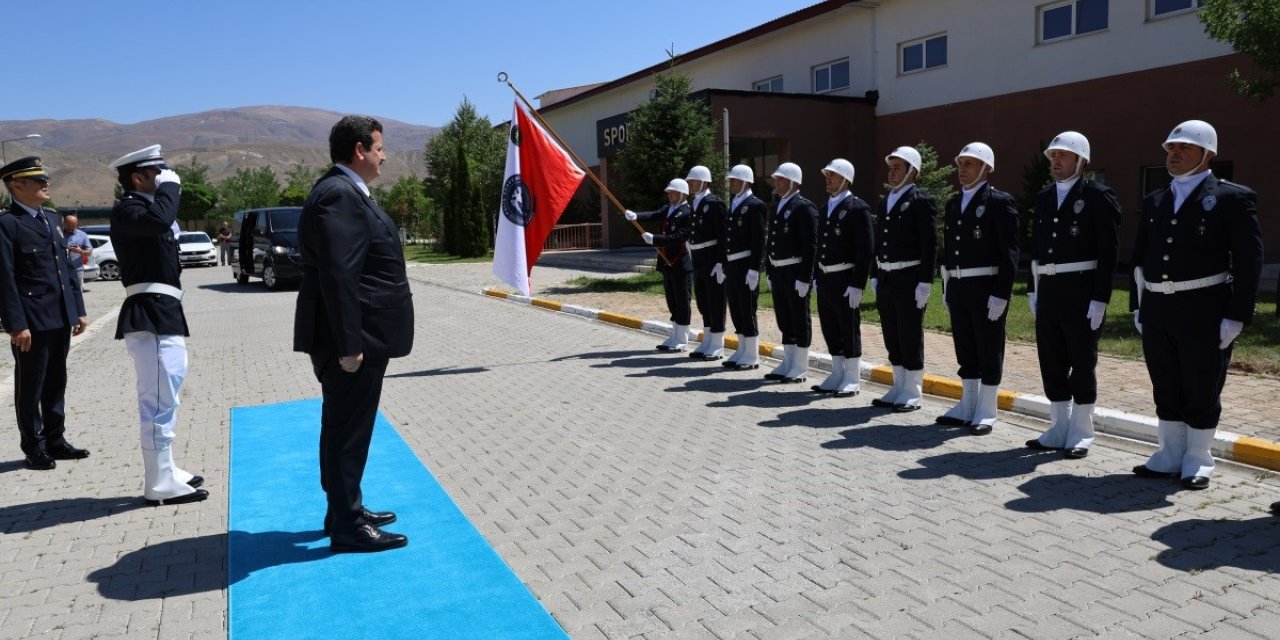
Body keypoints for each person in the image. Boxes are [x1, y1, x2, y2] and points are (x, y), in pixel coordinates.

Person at [295, 116, 414, 552]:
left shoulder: (341, 191)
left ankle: (344, 508)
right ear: (360, 150)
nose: (384, 156)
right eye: (380, 147)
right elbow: (339, 277)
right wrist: (350, 345)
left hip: (359, 334)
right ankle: (347, 526)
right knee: (347, 430)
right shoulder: (339, 196)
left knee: (346, 426)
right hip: (353, 340)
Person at [1130, 120, 1262, 490]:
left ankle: (1199, 458)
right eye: (1170, 148)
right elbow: (1140, 257)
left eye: (1184, 148)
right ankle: (1169, 454)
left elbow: (1249, 261)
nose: (1173, 154)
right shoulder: (1155, 200)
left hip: (1204, 308)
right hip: (1158, 306)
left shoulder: (1231, 198)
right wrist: (1138, 305)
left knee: (1202, 384)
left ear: (1208, 154)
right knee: (1165, 381)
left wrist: (1237, 315)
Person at [108, 145, 207, 505]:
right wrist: (172, 188)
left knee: (169, 396)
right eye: (157, 173)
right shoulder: (128, 210)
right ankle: (158, 483)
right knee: (157, 400)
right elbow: (159, 222)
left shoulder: (146, 210)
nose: (164, 177)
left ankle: (166, 468)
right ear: (138, 178)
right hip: (148, 311)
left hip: (163, 308)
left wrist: (164, 191)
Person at [1024, 132, 1120, 459]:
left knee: (1082, 361)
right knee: (1051, 359)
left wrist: (1101, 297)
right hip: (1050, 289)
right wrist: (1033, 287)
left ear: (1081, 161)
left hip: (1081, 291)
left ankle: (1081, 429)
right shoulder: (1044, 197)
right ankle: (1058, 427)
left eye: (1063, 156)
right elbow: (1036, 247)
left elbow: (1109, 253)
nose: (1056, 161)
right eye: (1053, 156)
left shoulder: (1097, 196)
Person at [0, 157, 89, 470]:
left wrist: (77, 310)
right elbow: (5, 277)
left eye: (44, 179)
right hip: (31, 321)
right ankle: (34, 447)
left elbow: (64, 269)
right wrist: (16, 324)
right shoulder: (7, 224)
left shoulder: (51, 220)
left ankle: (56, 439)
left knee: (56, 380)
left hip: (59, 315)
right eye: (37, 180)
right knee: (31, 385)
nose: (44, 183)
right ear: (16, 185)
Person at [935, 143, 1019, 435]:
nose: (962, 169)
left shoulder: (999, 201)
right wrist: (947, 285)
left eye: (969, 164)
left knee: (988, 347)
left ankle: (986, 409)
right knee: (965, 348)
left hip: (986, 287)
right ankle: (967, 405)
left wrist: (1002, 293)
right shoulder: (953, 203)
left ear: (986, 169)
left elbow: (1010, 253)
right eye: (960, 163)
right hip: (959, 285)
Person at [870, 146, 937, 412]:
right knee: (891, 333)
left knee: (909, 333)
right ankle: (898, 385)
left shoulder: (921, 200)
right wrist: (875, 273)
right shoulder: (886, 200)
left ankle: (912, 390)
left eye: (898, 167)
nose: (892, 171)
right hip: (887, 275)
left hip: (909, 276)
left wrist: (925, 281)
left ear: (912, 171)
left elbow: (929, 244)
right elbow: (879, 241)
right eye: (890, 167)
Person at [810, 159, 873, 397]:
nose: (828, 178)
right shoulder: (826, 208)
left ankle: (852, 377)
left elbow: (865, 249)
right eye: (827, 175)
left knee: (848, 327)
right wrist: (816, 275)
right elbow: (819, 246)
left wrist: (858, 284)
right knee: (830, 326)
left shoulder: (857, 208)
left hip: (845, 278)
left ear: (846, 179)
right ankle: (837, 373)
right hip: (826, 278)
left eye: (833, 175)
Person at [763, 162, 818, 383]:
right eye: (776, 179)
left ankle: (800, 365)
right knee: (784, 318)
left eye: (781, 179)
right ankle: (788, 360)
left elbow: (810, 246)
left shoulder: (804, 207)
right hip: (778, 270)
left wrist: (806, 277)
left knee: (799, 318)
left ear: (793, 182)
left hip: (795, 270)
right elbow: (772, 242)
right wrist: (768, 268)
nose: (776, 182)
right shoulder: (777, 206)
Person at [625, 179, 694, 351]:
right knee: (671, 300)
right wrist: (636, 216)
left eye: (672, 192)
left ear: (682, 194)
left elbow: (679, 237)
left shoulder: (687, 212)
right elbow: (654, 215)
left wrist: (655, 239)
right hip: (666, 262)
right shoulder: (668, 209)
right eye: (669, 192)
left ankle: (682, 339)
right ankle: (674, 336)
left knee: (682, 301)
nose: (669, 195)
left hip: (681, 263)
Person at [720, 165, 766, 370]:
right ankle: (742, 348)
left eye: (735, 180)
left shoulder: (755, 205)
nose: (731, 183)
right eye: (731, 180)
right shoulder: (735, 203)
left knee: (747, 309)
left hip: (746, 264)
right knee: (736, 308)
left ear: (746, 181)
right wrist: (723, 263)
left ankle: (752, 354)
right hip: (732, 264)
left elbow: (758, 240)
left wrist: (755, 268)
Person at [684, 166, 728, 360]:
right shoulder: (695, 202)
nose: (690, 184)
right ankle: (708, 338)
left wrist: (721, 261)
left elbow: (723, 234)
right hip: (698, 257)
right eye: (689, 181)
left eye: (693, 180)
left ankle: (718, 343)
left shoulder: (714, 203)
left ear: (704, 181)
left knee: (716, 300)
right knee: (703, 300)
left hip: (712, 257)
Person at [63, 214, 93, 293]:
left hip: (77, 269)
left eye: (72, 227)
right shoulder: (58, 233)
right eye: (68, 226)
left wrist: (80, 251)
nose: (70, 229)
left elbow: (89, 252)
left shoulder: (82, 235)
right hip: (62, 269)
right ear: (64, 223)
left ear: (77, 224)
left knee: (77, 292)